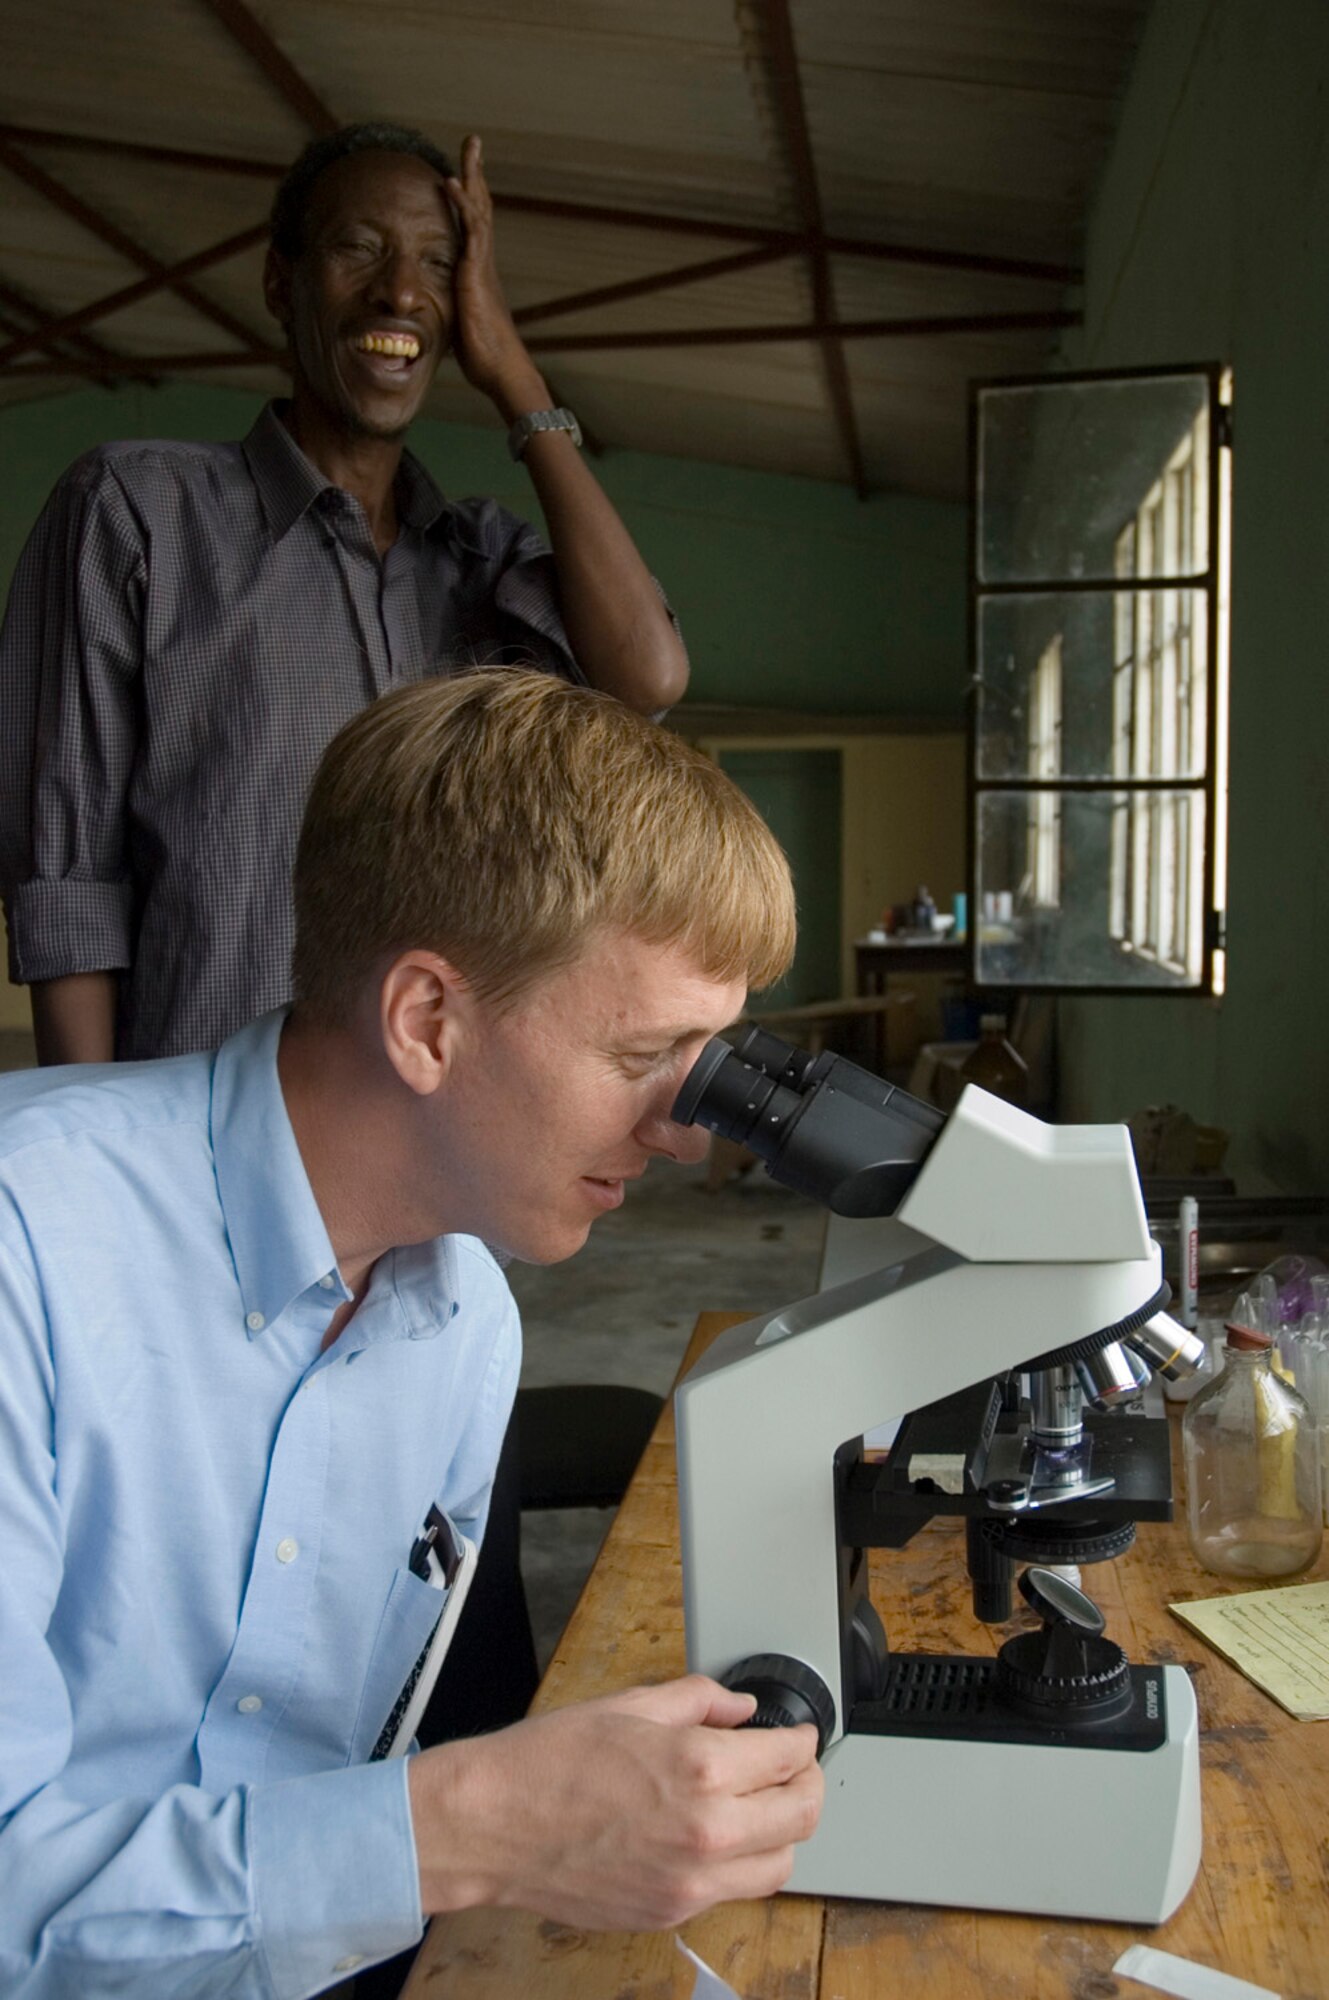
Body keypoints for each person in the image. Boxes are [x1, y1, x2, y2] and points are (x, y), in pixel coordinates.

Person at [0, 669, 821, 1998]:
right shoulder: (27, 1252)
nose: (681, 1132)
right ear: (428, 1019)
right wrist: (476, 1825)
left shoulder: (464, 1326)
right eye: (642, 1061)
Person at [0, 120, 689, 1068]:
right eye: (358, 248)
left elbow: (647, 674)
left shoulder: (479, 562)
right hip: (202, 1143)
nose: (399, 291)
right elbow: (69, 876)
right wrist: (100, 1161)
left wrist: (512, 372)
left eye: (438, 264)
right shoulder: (138, 512)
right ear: (283, 282)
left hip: (433, 1153)